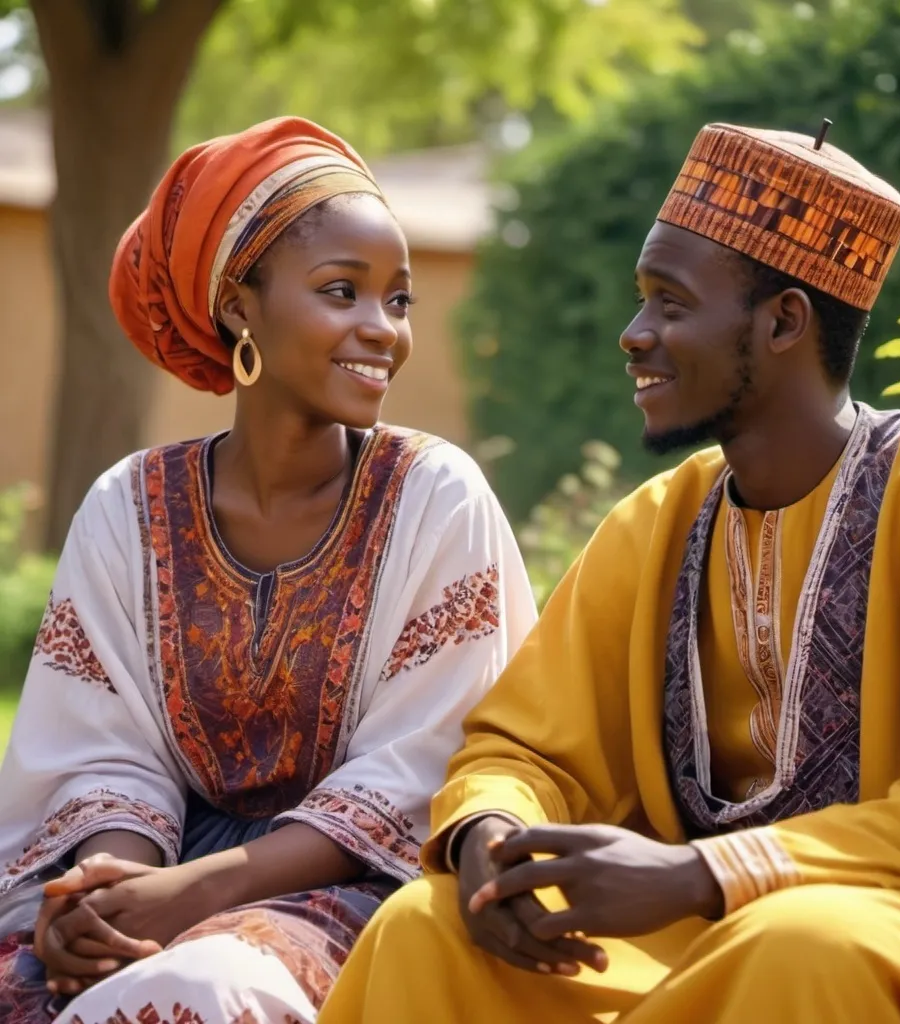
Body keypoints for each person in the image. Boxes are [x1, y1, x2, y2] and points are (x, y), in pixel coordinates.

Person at [320, 121, 900, 1024]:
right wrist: (493, 838)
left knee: (801, 947)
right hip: (684, 935)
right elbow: (524, 747)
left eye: (670, 304)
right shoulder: (656, 523)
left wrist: (703, 871)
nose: (634, 334)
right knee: (427, 927)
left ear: (783, 322)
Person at [0, 116, 536, 1024]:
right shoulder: (128, 506)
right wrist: (109, 894)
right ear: (239, 305)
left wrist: (201, 897)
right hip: (165, 874)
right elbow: (103, 751)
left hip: (371, 893)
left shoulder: (434, 495)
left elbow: (421, 772)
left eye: (398, 300)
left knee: (206, 989)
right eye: (343, 291)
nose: (383, 330)